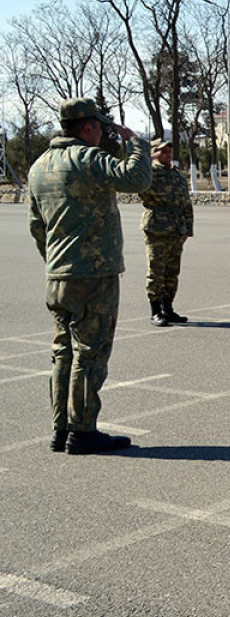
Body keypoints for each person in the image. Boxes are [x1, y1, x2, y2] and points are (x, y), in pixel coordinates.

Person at [27, 97, 152, 454]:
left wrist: (56, 262)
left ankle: (61, 428)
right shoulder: (87, 158)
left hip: (58, 275)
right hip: (93, 274)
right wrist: (137, 144)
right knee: (90, 352)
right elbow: (138, 179)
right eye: (99, 126)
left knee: (62, 352)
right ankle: (82, 431)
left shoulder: (39, 167)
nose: (102, 133)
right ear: (88, 128)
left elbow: (37, 226)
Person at [139, 139, 193, 327]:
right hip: (157, 228)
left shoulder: (177, 176)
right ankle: (155, 311)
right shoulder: (148, 173)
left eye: (169, 151)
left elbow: (186, 203)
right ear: (154, 153)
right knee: (156, 271)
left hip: (176, 228)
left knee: (172, 272)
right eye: (162, 151)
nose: (167, 155)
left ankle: (168, 309)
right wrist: (147, 158)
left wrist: (188, 228)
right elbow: (134, 171)